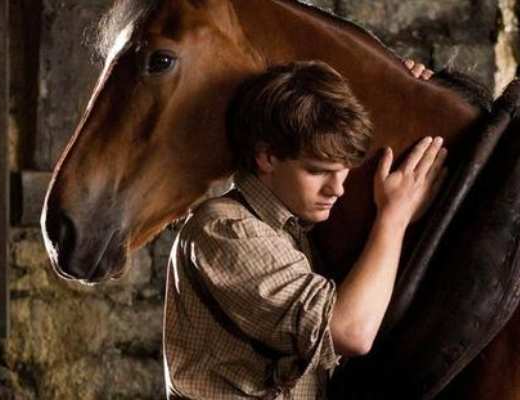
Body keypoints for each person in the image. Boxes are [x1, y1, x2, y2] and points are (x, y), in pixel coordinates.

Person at [163, 59, 446, 400]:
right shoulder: (225, 229)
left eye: (343, 170)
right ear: (266, 156)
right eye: (317, 171)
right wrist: (394, 216)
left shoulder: (296, 229)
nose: (337, 189)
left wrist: (408, 92)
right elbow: (351, 332)